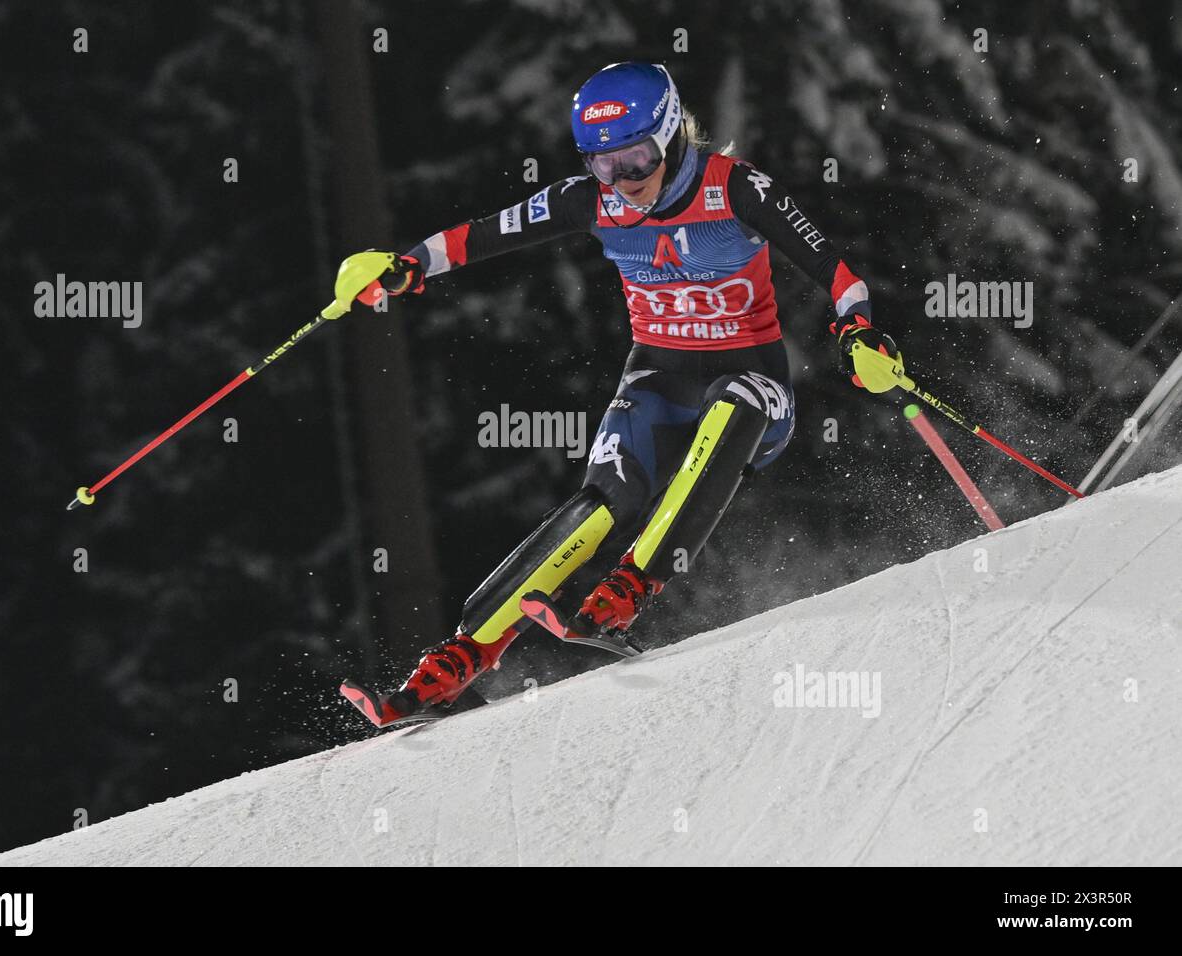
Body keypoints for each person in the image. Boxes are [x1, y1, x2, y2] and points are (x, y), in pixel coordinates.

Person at [336, 61, 900, 727]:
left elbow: (837, 273)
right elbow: (481, 235)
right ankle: (456, 661)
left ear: (671, 138)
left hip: (753, 384)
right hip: (658, 379)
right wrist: (403, 268)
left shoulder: (734, 188)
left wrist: (859, 334)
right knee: (604, 500)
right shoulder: (590, 200)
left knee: (736, 402)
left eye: (636, 160)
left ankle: (630, 586)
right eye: (604, 165)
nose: (623, 182)